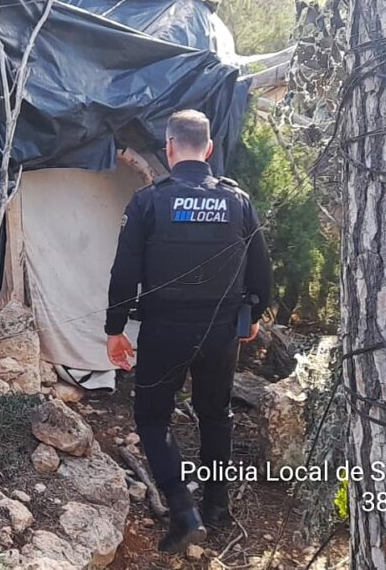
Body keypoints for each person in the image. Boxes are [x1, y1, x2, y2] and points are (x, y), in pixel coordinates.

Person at [105, 109, 273, 553]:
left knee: (152, 416)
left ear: (170, 148)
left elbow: (125, 272)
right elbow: (261, 269)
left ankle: (184, 511)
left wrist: (114, 328)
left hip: (164, 331)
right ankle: (217, 505)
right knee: (216, 416)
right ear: (210, 150)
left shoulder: (149, 200)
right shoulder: (237, 200)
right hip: (219, 333)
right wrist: (253, 313)